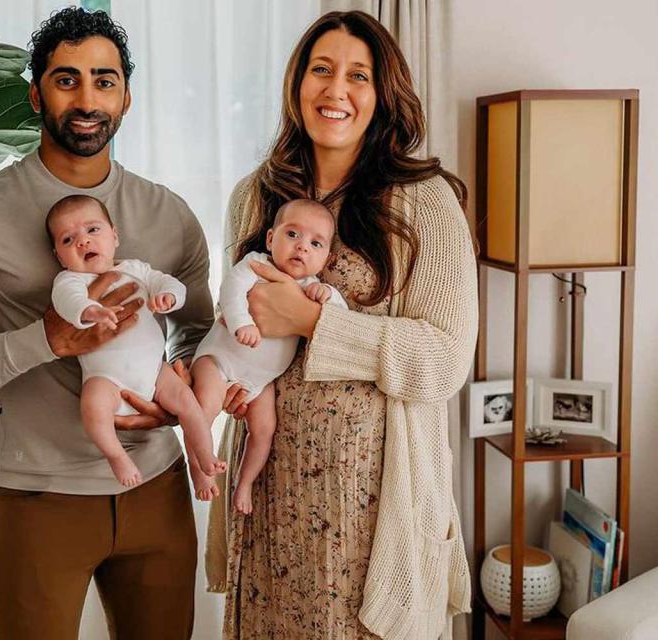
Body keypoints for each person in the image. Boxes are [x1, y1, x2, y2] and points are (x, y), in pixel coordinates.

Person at [0, 8, 213, 639]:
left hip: (158, 491)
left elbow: (199, 333)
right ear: (35, 93)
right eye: (66, 80)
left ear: (126, 95)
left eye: (104, 79)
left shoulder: (168, 214)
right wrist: (47, 338)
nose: (87, 98)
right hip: (38, 500)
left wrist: (173, 401)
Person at [205, 10, 478, 640]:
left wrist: (314, 324)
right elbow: (233, 322)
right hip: (270, 486)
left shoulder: (424, 200)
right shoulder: (254, 197)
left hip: (372, 504)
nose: (336, 90)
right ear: (297, 82)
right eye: (321, 69)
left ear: (381, 95)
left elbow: (446, 360)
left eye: (358, 75)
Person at [47, 194, 224, 487]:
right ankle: (117, 456)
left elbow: (168, 282)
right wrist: (89, 309)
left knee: (189, 405)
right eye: (68, 240)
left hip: (155, 370)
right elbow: (66, 302)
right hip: (107, 377)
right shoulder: (70, 281)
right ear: (58, 256)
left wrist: (168, 296)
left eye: (93, 230)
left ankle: (203, 461)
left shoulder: (135, 269)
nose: (83, 241)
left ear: (114, 236)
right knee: (93, 409)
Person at [190, 199, 346, 513]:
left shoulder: (312, 287)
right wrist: (241, 323)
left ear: (326, 257)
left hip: (261, 381)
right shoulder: (255, 265)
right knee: (201, 412)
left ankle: (244, 482)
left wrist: (328, 297)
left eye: (315, 243)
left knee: (263, 431)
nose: (302, 247)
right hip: (220, 361)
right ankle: (199, 470)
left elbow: (339, 323)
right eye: (293, 235)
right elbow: (230, 293)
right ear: (271, 239)